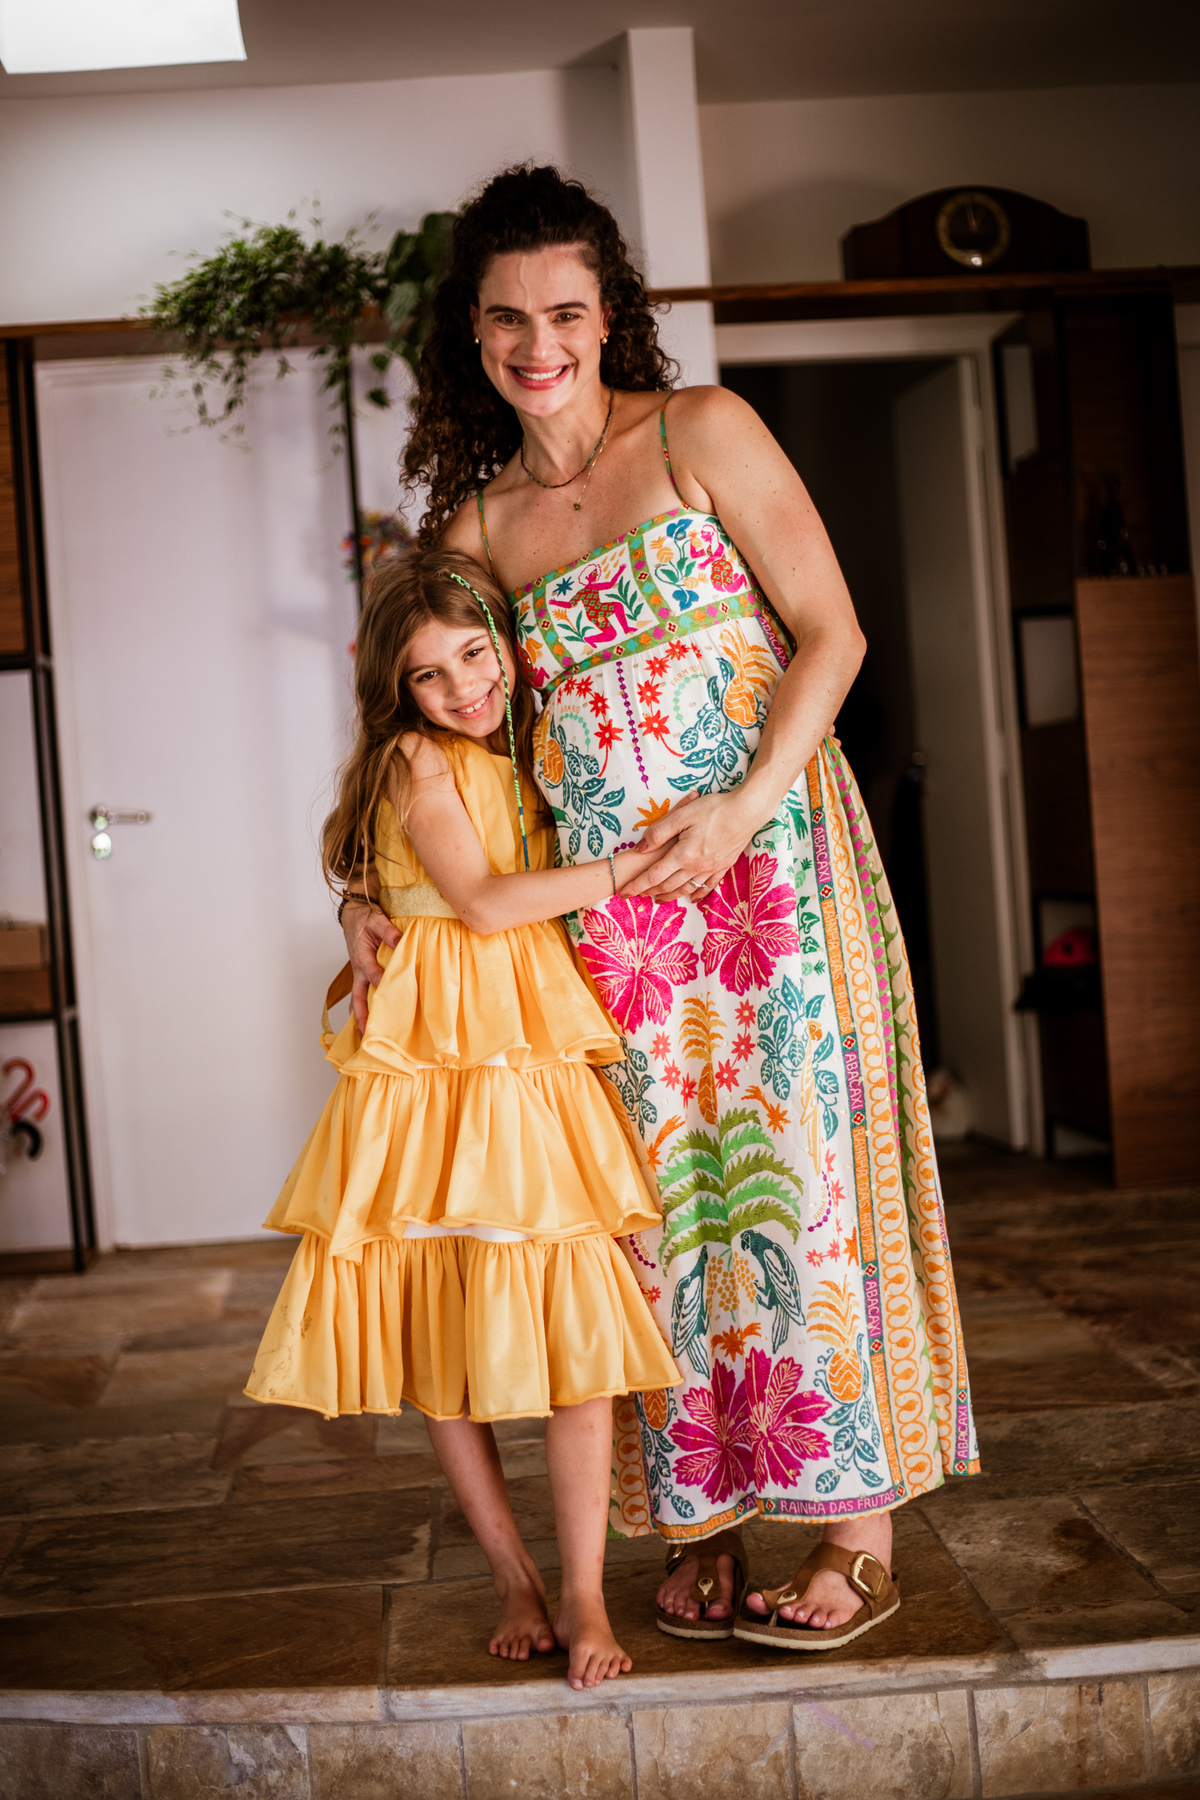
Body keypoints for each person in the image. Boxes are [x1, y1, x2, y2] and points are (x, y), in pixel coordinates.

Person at [344, 163, 980, 1654]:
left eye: (565, 311)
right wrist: (361, 899)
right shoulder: (479, 528)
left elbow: (833, 633)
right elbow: (424, 738)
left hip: (772, 873)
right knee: (653, 1215)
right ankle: (702, 1516)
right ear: (472, 335)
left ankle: (856, 1534)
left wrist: (743, 808)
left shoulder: (702, 432)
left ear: (609, 312)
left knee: (806, 1178)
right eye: (507, 319)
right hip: (606, 928)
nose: (538, 344)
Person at [245, 547, 682, 1691]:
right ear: (397, 691)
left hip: (529, 1054)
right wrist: (630, 872)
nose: (461, 688)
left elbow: (394, 881)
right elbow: (482, 903)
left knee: (579, 1329)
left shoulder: (523, 749)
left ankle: (584, 1593)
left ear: (505, 645)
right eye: (428, 675)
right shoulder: (410, 756)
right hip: (437, 1070)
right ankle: (514, 1578)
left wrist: (357, 903)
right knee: (443, 1326)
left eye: (475, 655)